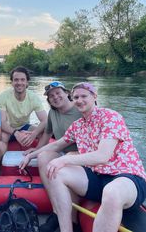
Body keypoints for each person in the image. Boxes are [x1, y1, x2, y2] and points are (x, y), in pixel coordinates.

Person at [22, 82, 146, 232]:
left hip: (126, 177)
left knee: (112, 191)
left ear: (94, 96)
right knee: (55, 171)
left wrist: (65, 159)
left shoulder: (110, 116)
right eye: (76, 97)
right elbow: (56, 145)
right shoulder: (78, 125)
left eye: (84, 96)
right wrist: (32, 155)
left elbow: (102, 156)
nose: (79, 100)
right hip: (97, 177)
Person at [21, 81, 81, 231]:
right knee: (43, 157)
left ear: (67, 93)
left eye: (58, 93)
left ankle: (72, 220)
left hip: (82, 153)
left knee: (65, 165)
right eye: (51, 96)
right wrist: (37, 149)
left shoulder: (80, 109)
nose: (55, 97)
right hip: (62, 150)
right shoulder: (53, 112)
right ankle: (56, 211)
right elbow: (48, 132)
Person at [0, 66, 47, 149]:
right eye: (16, 80)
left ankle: (36, 151)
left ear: (27, 82)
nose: (19, 83)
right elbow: (2, 122)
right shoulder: (4, 96)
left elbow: (45, 120)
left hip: (25, 126)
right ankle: (4, 159)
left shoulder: (33, 97)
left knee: (44, 132)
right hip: (8, 128)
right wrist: (16, 133)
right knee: (3, 137)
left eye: (22, 80)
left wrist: (34, 133)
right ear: (12, 82)